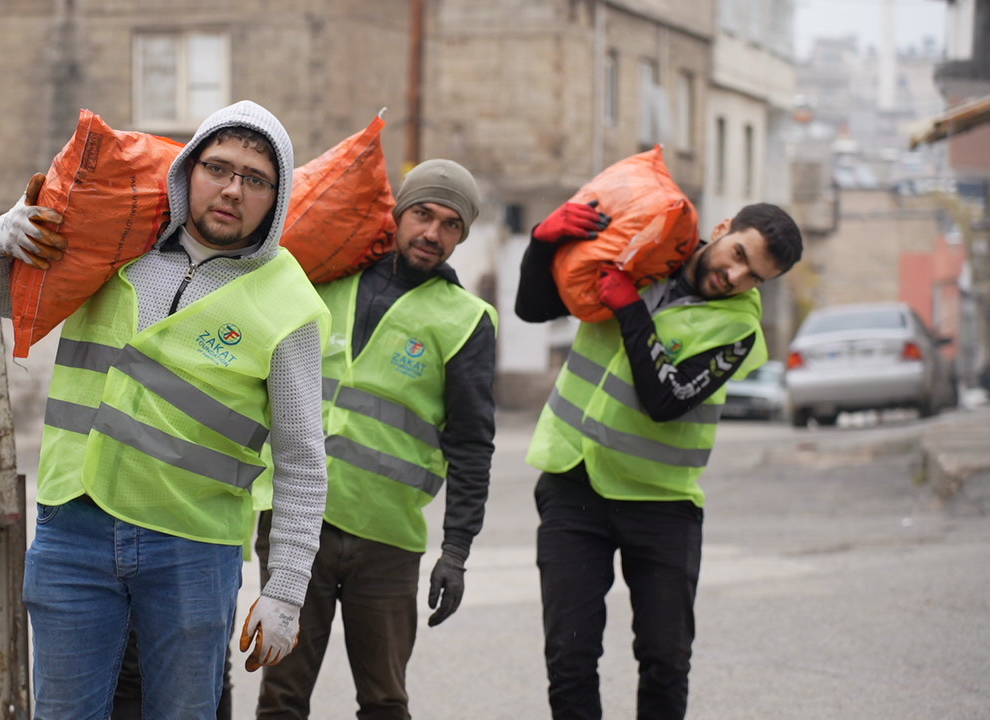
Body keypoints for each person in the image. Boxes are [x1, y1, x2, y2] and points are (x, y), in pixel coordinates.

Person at [0, 100, 329, 720]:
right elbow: (10, 302)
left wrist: (287, 590)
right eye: (218, 168)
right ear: (189, 169)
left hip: (193, 547)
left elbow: (303, 460)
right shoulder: (115, 246)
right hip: (73, 529)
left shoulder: (289, 302)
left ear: (275, 198)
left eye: (255, 179)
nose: (231, 189)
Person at [515, 200, 803, 720]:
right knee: (570, 656)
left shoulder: (736, 330)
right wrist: (542, 242)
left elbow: (665, 401)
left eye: (754, 276)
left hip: (662, 504)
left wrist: (630, 311)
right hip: (572, 482)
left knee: (665, 660)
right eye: (738, 254)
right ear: (721, 230)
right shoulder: (644, 255)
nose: (734, 275)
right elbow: (532, 310)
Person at [255, 159, 498, 719]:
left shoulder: (465, 320)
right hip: (297, 524)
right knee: (281, 698)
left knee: (385, 702)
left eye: (451, 224)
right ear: (398, 215)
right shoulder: (328, 282)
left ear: (462, 235)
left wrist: (456, 551)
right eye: (422, 215)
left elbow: (471, 444)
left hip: (388, 540)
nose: (433, 233)